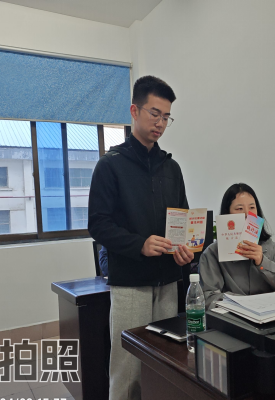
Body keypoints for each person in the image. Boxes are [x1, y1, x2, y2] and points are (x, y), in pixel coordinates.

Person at [88, 76, 194, 400]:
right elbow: (98, 225)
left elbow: (183, 220)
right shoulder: (110, 165)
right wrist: (140, 244)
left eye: (166, 117)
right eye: (154, 113)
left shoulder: (171, 168)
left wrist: (186, 248)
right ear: (135, 111)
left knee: (165, 366)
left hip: (167, 282)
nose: (160, 123)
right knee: (128, 370)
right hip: (131, 283)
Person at [199, 183, 275, 309]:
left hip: (268, 314)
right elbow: (208, 298)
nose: (247, 214)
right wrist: (245, 303)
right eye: (239, 208)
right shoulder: (212, 253)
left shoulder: (270, 247)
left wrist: (262, 262)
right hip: (234, 317)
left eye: (252, 207)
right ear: (227, 213)